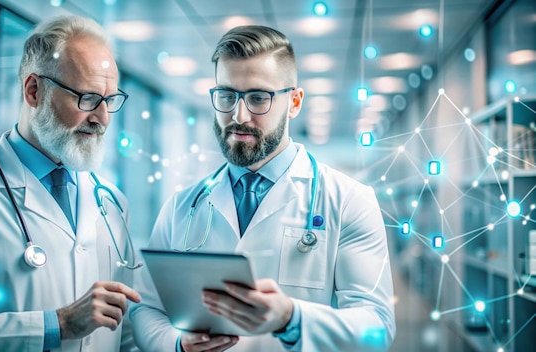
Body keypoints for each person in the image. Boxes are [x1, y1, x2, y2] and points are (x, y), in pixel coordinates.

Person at [129, 25, 396, 351]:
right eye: (227, 96)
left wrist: (292, 318)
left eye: (258, 98)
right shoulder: (182, 206)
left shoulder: (349, 200)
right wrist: (176, 344)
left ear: (294, 102)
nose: (238, 115)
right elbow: (146, 307)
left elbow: (377, 329)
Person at [0, 16, 142, 351]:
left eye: (109, 100)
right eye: (88, 98)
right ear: (34, 90)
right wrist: (57, 325)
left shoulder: (112, 202)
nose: (102, 118)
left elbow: (124, 332)